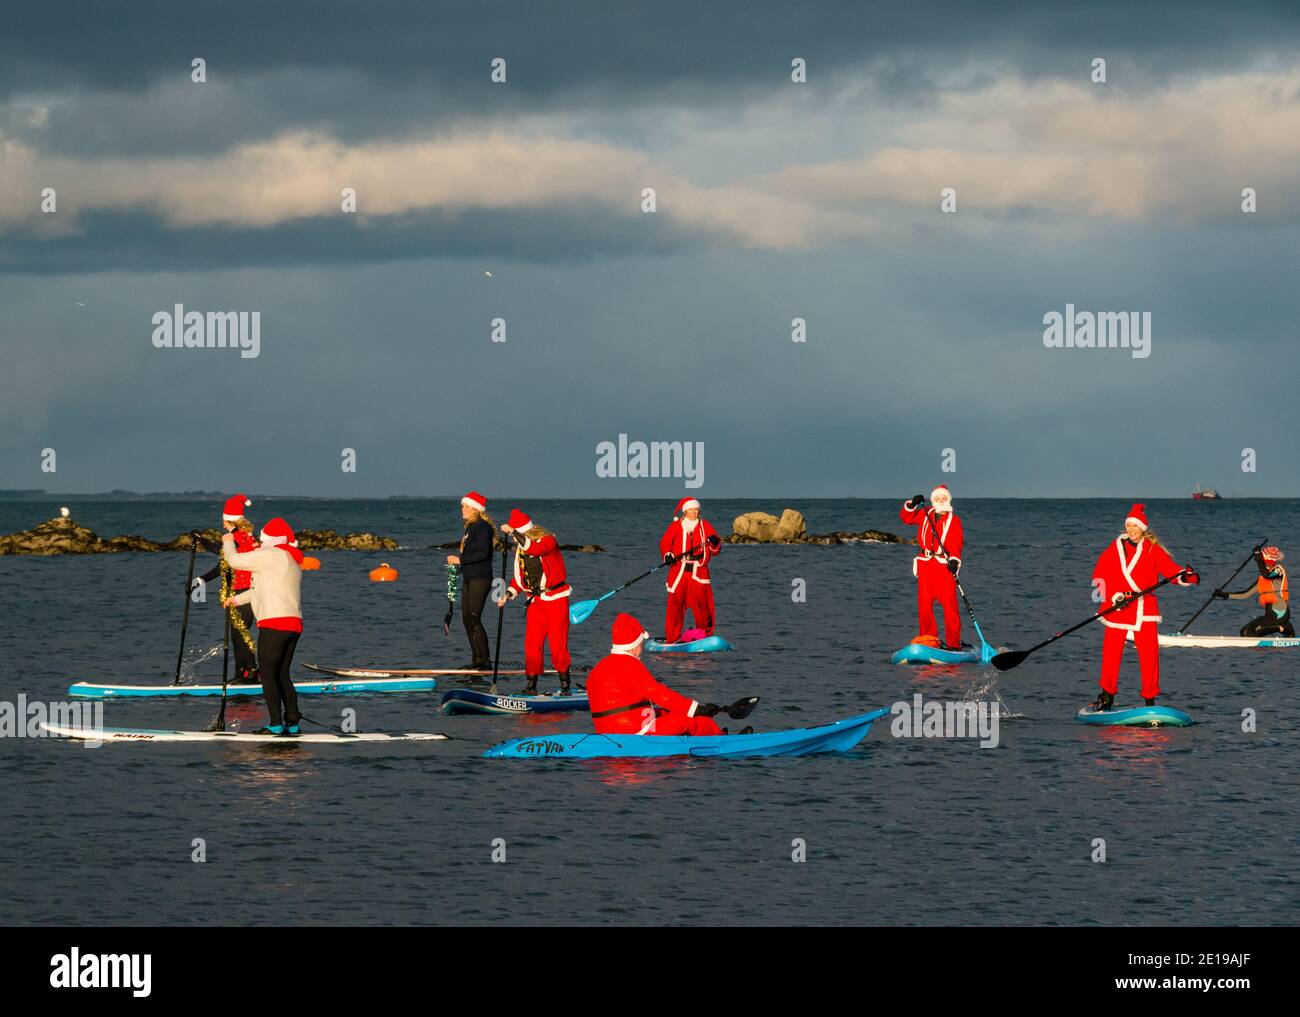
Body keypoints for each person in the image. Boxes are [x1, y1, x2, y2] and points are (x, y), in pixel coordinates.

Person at [1090, 504, 1199, 709]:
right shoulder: (1114, 549)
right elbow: (1099, 576)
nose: (1131, 530)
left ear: (1143, 528)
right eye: (1128, 525)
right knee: (1111, 654)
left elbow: (1171, 571)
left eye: (1134, 526)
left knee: (1149, 656)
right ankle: (1106, 697)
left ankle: (1150, 702)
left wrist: (1186, 576)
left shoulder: (1152, 549)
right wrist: (1109, 598)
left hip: (1144, 609)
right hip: (1117, 608)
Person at [222, 516, 305, 735]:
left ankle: (276, 725)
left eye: (262, 538)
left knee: (268, 675)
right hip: (294, 624)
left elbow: (234, 561)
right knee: (282, 675)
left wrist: (228, 540)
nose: (259, 541)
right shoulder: (290, 559)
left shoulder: (271, 555)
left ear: (270, 539)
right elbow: (261, 590)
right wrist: (235, 600)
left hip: (274, 623)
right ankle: (293, 723)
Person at [587, 613, 728, 735]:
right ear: (635, 645)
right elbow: (660, 694)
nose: (642, 648)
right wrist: (697, 709)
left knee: (666, 712)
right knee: (692, 719)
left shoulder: (599, 667)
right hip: (633, 731)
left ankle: (711, 734)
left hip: (605, 730)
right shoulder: (630, 665)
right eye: (641, 643)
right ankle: (722, 739)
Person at [495, 508, 572, 695]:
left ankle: (565, 685)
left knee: (557, 645)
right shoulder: (521, 550)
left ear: (522, 531)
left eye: (516, 535)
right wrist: (509, 594)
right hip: (536, 602)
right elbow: (520, 578)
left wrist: (513, 531)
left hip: (556, 601)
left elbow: (536, 549)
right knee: (532, 645)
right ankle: (531, 686)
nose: (514, 540)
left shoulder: (548, 541)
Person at [196, 493, 260, 684]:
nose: (223, 524)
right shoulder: (244, 536)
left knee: (239, 635)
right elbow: (223, 565)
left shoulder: (237, 537)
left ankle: (250, 673)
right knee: (238, 635)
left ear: (229, 520)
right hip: (244, 591)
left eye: (224, 520)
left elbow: (219, 551)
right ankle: (243, 674)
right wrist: (201, 580)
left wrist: (202, 540)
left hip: (244, 592)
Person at [898, 485, 964, 650]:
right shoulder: (925, 513)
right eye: (937, 499)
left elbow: (956, 542)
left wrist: (954, 560)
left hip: (944, 567)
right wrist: (912, 504)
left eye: (943, 499)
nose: (941, 501)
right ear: (933, 501)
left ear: (948, 500)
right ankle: (929, 639)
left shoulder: (954, 521)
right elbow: (906, 518)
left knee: (950, 606)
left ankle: (953, 644)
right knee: (925, 605)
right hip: (926, 565)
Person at [658, 497, 722, 643]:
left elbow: (716, 549)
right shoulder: (676, 526)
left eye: (696, 509)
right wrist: (668, 555)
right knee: (675, 605)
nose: (694, 512)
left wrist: (715, 543)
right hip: (679, 571)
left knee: (703, 605)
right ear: (685, 511)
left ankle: (706, 635)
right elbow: (665, 543)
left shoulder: (705, 526)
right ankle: (672, 638)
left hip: (699, 571)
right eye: (691, 509)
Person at [446, 491, 495, 669]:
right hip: (470, 576)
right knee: (467, 618)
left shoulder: (481, 526)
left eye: (465, 506)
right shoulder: (471, 527)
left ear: (475, 509)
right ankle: (476, 660)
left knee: (474, 617)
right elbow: (472, 553)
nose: (462, 509)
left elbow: (483, 553)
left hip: (480, 578)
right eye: (462, 505)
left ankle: (485, 661)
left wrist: (460, 560)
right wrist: (460, 566)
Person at [1213, 546, 1292, 637]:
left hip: (1280, 613)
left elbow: (1266, 574)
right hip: (1270, 614)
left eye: (1263, 556)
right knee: (1244, 632)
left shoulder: (1278, 571)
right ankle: (1283, 627)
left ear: (1267, 558)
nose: (1260, 558)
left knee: (1250, 633)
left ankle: (1282, 628)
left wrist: (1258, 558)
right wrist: (1224, 595)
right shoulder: (1263, 579)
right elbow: (1245, 594)